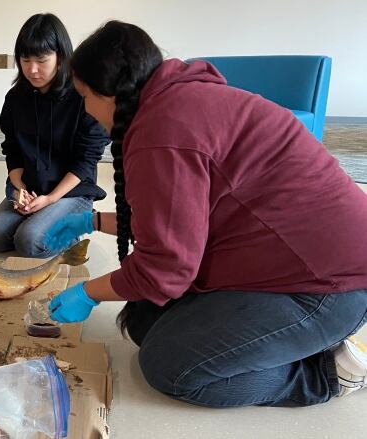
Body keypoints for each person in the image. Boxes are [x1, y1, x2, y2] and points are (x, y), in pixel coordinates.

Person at [44, 21, 367, 407]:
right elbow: (175, 224)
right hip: (279, 258)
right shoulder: (174, 100)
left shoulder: (161, 133)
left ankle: (326, 373)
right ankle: (281, 342)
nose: (85, 109)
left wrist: (88, 292)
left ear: (109, 94)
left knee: (170, 366)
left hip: (328, 286)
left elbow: (165, 267)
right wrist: (92, 221)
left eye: (85, 97)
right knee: (145, 318)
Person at [0, 13, 110, 259]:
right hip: (30, 188)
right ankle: (41, 220)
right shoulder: (16, 98)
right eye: (25, 59)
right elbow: (13, 151)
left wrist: (50, 199)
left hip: (71, 192)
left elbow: (86, 160)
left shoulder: (83, 96)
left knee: (29, 242)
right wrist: (20, 189)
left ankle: (73, 226)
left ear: (60, 57)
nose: (32, 69)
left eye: (41, 60)